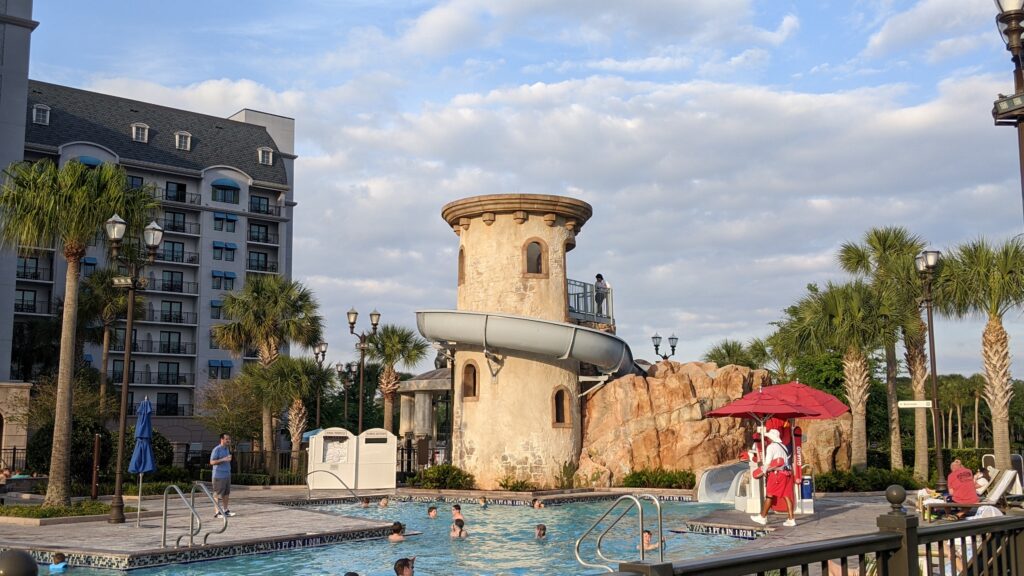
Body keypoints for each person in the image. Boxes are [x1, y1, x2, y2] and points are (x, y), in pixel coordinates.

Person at [750, 428, 795, 527]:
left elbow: (767, 463)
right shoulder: (783, 446)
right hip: (787, 474)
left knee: (770, 495)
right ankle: (791, 519)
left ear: (771, 438)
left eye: (768, 437)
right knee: (787, 496)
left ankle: (762, 517)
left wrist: (764, 472)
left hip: (777, 474)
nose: (767, 439)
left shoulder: (771, 447)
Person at [209, 433, 235, 518]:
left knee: (226, 494)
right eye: (227, 439)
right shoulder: (217, 449)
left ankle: (225, 510)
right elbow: (212, 462)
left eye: (229, 439)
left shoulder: (227, 449)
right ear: (222, 439)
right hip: (218, 476)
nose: (228, 441)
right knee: (217, 494)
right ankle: (217, 512)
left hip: (227, 475)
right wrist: (223, 459)